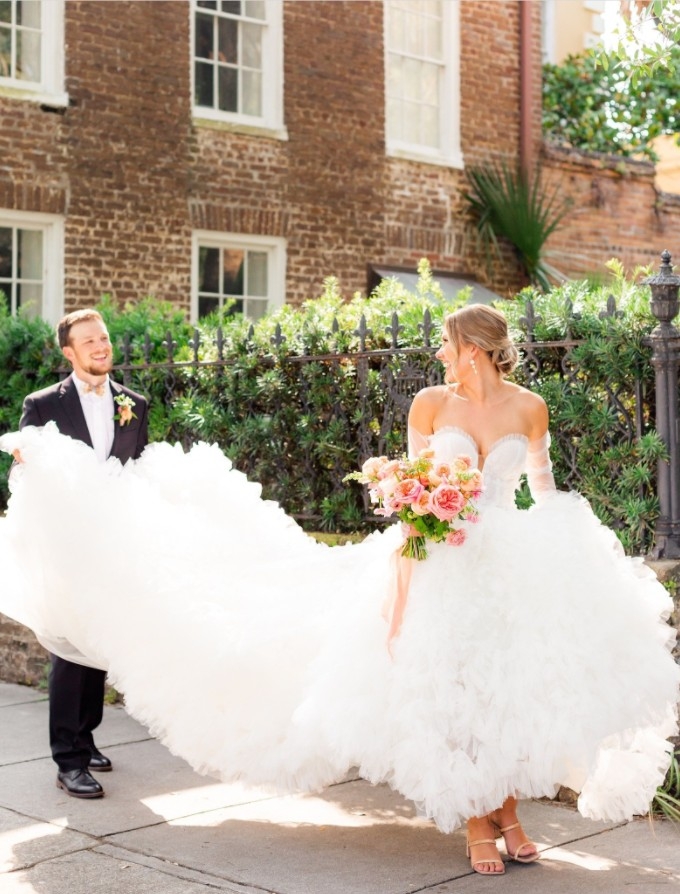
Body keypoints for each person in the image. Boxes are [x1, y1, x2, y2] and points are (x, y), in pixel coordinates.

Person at [0, 305, 676, 875]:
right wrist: (414, 525)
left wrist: (558, 552)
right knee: (453, 690)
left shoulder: (530, 407)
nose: (438, 353)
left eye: (445, 344)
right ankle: (478, 818)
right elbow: (414, 482)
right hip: (436, 559)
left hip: (501, 561)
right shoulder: (430, 402)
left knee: (504, 687)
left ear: (471, 349)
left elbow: (543, 491)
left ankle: (507, 810)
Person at [12, 308, 148, 799]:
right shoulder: (43, 404)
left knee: (97, 646)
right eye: (88, 341)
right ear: (69, 352)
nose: (100, 346)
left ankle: (85, 738)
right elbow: (24, 475)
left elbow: (140, 473)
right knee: (69, 651)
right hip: (67, 547)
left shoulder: (135, 403)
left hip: (114, 546)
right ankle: (67, 759)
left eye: (104, 337)